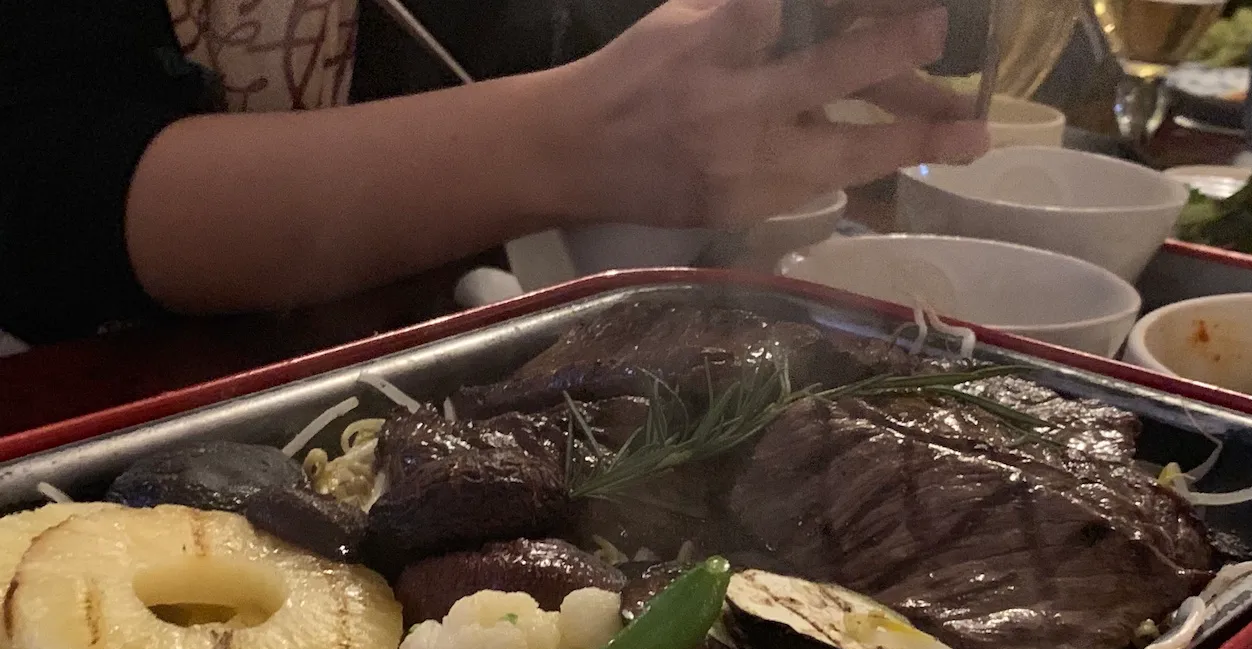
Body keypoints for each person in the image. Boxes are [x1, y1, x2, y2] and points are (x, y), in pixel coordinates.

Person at [0, 0, 989, 345]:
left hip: (445, 340)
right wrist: (566, 141)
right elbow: (43, 192)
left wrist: (765, 43)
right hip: (89, 398)